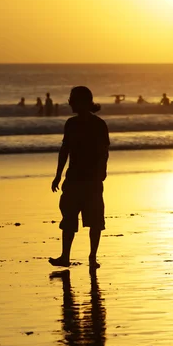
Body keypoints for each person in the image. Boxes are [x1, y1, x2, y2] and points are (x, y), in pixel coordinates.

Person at [49, 86, 110, 270]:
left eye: (73, 99)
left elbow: (103, 152)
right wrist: (58, 175)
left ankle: (92, 256)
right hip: (73, 177)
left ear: (84, 102)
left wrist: (102, 171)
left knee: (95, 220)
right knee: (68, 217)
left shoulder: (99, 124)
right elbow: (64, 150)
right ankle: (65, 256)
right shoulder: (71, 124)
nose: (70, 102)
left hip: (91, 179)